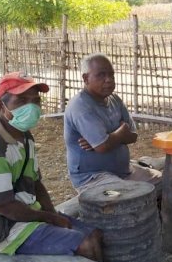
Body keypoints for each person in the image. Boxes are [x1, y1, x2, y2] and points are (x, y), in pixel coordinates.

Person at [0, 71, 102, 260]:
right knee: (85, 245)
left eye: (35, 101)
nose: (31, 107)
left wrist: (52, 214)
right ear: (0, 106)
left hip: (25, 215)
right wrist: (50, 218)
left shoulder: (25, 137)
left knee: (94, 235)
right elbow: (3, 208)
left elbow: (36, 183)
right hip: (1, 228)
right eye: (21, 101)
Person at [65, 54, 161, 195]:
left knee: (162, 182)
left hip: (123, 171)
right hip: (92, 177)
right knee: (129, 196)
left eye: (111, 75)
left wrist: (109, 138)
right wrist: (120, 133)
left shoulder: (114, 99)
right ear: (86, 79)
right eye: (101, 75)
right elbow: (103, 146)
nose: (108, 80)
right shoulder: (81, 106)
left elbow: (133, 136)